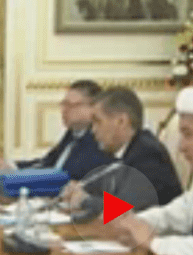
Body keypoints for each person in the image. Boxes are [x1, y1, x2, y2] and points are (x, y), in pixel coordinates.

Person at [63, 87, 182, 217]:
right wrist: (83, 189)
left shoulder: (148, 154)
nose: (93, 130)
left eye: (97, 121)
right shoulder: (129, 150)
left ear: (121, 121)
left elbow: (125, 211)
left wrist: (84, 200)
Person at [106, 87, 193, 255]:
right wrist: (133, 222)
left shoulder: (146, 152)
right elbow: (178, 213)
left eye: (188, 134)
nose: (181, 146)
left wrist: (153, 243)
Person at [0, 80, 114, 180]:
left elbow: (69, 175)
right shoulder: (73, 133)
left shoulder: (100, 140)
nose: (64, 110)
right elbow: (48, 162)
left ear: (92, 107)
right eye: (63, 104)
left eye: (70, 105)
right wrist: (11, 167)